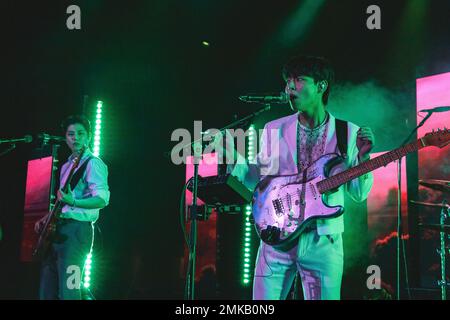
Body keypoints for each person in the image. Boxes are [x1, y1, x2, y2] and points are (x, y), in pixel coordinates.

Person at [232, 55, 374, 300]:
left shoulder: (348, 132)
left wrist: (363, 158)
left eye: (298, 79)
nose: (290, 87)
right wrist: (228, 153)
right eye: (288, 81)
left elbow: (359, 194)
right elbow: (257, 178)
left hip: (323, 240)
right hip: (277, 237)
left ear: (321, 86)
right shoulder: (273, 129)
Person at [34, 115, 110, 300]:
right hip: (58, 229)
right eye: (70, 134)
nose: (75, 138)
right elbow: (63, 202)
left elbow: (102, 200)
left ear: (89, 136)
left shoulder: (94, 163)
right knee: (47, 290)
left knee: (70, 290)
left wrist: (74, 202)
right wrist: (47, 217)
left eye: (80, 133)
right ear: (66, 137)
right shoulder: (67, 164)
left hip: (78, 231)